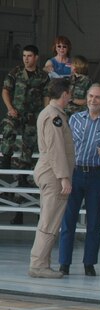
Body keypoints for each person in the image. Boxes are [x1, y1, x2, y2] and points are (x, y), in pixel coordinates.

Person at [58, 84, 100, 276]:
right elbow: (65, 147)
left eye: (98, 97)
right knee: (68, 220)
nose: (93, 100)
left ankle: (89, 263)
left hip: (97, 175)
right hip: (74, 173)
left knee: (94, 222)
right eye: (90, 96)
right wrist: (64, 175)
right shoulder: (74, 119)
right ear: (86, 98)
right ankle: (64, 263)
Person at [28, 78, 74, 278]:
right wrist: (64, 177)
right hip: (54, 174)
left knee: (49, 219)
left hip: (50, 172)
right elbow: (56, 149)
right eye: (70, 93)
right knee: (49, 221)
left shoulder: (51, 114)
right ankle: (38, 264)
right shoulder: (54, 116)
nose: (71, 97)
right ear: (64, 94)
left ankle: (42, 263)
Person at [1, 44, 50, 224]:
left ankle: (23, 171)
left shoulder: (43, 76)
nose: (26, 59)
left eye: (29, 56)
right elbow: (5, 90)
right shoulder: (16, 72)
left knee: (29, 144)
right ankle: (5, 157)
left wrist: (45, 115)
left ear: (36, 57)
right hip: (17, 112)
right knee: (7, 126)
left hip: (33, 117)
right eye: (24, 56)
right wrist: (10, 108)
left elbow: (47, 97)